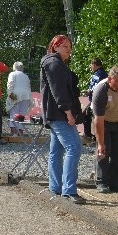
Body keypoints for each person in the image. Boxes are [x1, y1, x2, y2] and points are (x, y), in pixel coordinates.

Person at [40, 34, 85, 204]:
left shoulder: (54, 63)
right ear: (55, 46)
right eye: (65, 46)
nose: (69, 50)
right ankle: (69, 191)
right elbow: (58, 91)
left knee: (56, 152)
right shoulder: (54, 63)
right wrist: (68, 113)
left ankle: (56, 188)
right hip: (60, 114)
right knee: (74, 147)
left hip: (55, 113)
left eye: (70, 47)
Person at [92, 66, 118, 193]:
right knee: (103, 152)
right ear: (110, 79)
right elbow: (98, 120)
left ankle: (116, 183)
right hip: (103, 121)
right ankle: (101, 182)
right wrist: (100, 143)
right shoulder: (101, 90)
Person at [82, 58, 108, 139]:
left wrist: (89, 92)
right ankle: (93, 136)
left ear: (94, 64)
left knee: (88, 116)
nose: (90, 67)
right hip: (98, 98)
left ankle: (90, 136)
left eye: (91, 64)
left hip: (96, 99)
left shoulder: (98, 74)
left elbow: (96, 87)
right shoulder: (103, 73)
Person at [6, 61, 32, 136]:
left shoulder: (12, 74)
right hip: (27, 96)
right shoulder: (26, 76)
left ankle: (14, 133)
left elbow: (10, 85)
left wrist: (10, 94)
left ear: (14, 68)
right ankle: (20, 133)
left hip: (16, 96)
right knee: (21, 116)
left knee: (14, 115)